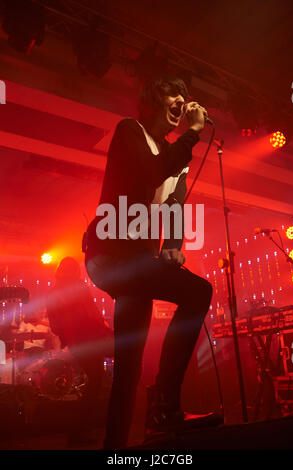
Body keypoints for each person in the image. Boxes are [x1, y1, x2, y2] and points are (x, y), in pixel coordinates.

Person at [83, 76, 222, 449]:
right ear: (148, 104)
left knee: (128, 366)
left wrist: (174, 246)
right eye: (170, 95)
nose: (179, 101)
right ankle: (165, 404)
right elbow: (149, 172)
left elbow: (175, 206)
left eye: (184, 97)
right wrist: (193, 133)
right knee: (198, 292)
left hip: (138, 264)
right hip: (110, 256)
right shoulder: (129, 131)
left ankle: (118, 446)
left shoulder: (176, 156)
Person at [46, 257, 113, 438]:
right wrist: (106, 332)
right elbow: (92, 316)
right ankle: (80, 430)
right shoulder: (79, 288)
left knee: (94, 381)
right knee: (96, 382)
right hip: (89, 340)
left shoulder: (54, 292)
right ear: (76, 271)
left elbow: (55, 326)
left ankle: (80, 429)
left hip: (77, 343)